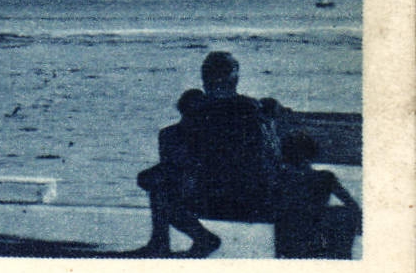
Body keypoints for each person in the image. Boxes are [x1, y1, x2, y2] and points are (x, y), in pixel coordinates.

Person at [138, 51, 280, 257]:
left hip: (210, 195)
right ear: (236, 79)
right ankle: (185, 240)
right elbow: (270, 154)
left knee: (157, 181)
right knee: (163, 178)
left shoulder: (199, 110)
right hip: (256, 198)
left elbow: (184, 157)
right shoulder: (253, 109)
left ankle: (173, 240)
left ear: (206, 79)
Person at [272, 131, 360, 259]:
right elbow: (352, 206)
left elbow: (276, 212)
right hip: (316, 239)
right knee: (345, 213)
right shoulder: (326, 178)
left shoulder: (281, 178)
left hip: (289, 242)